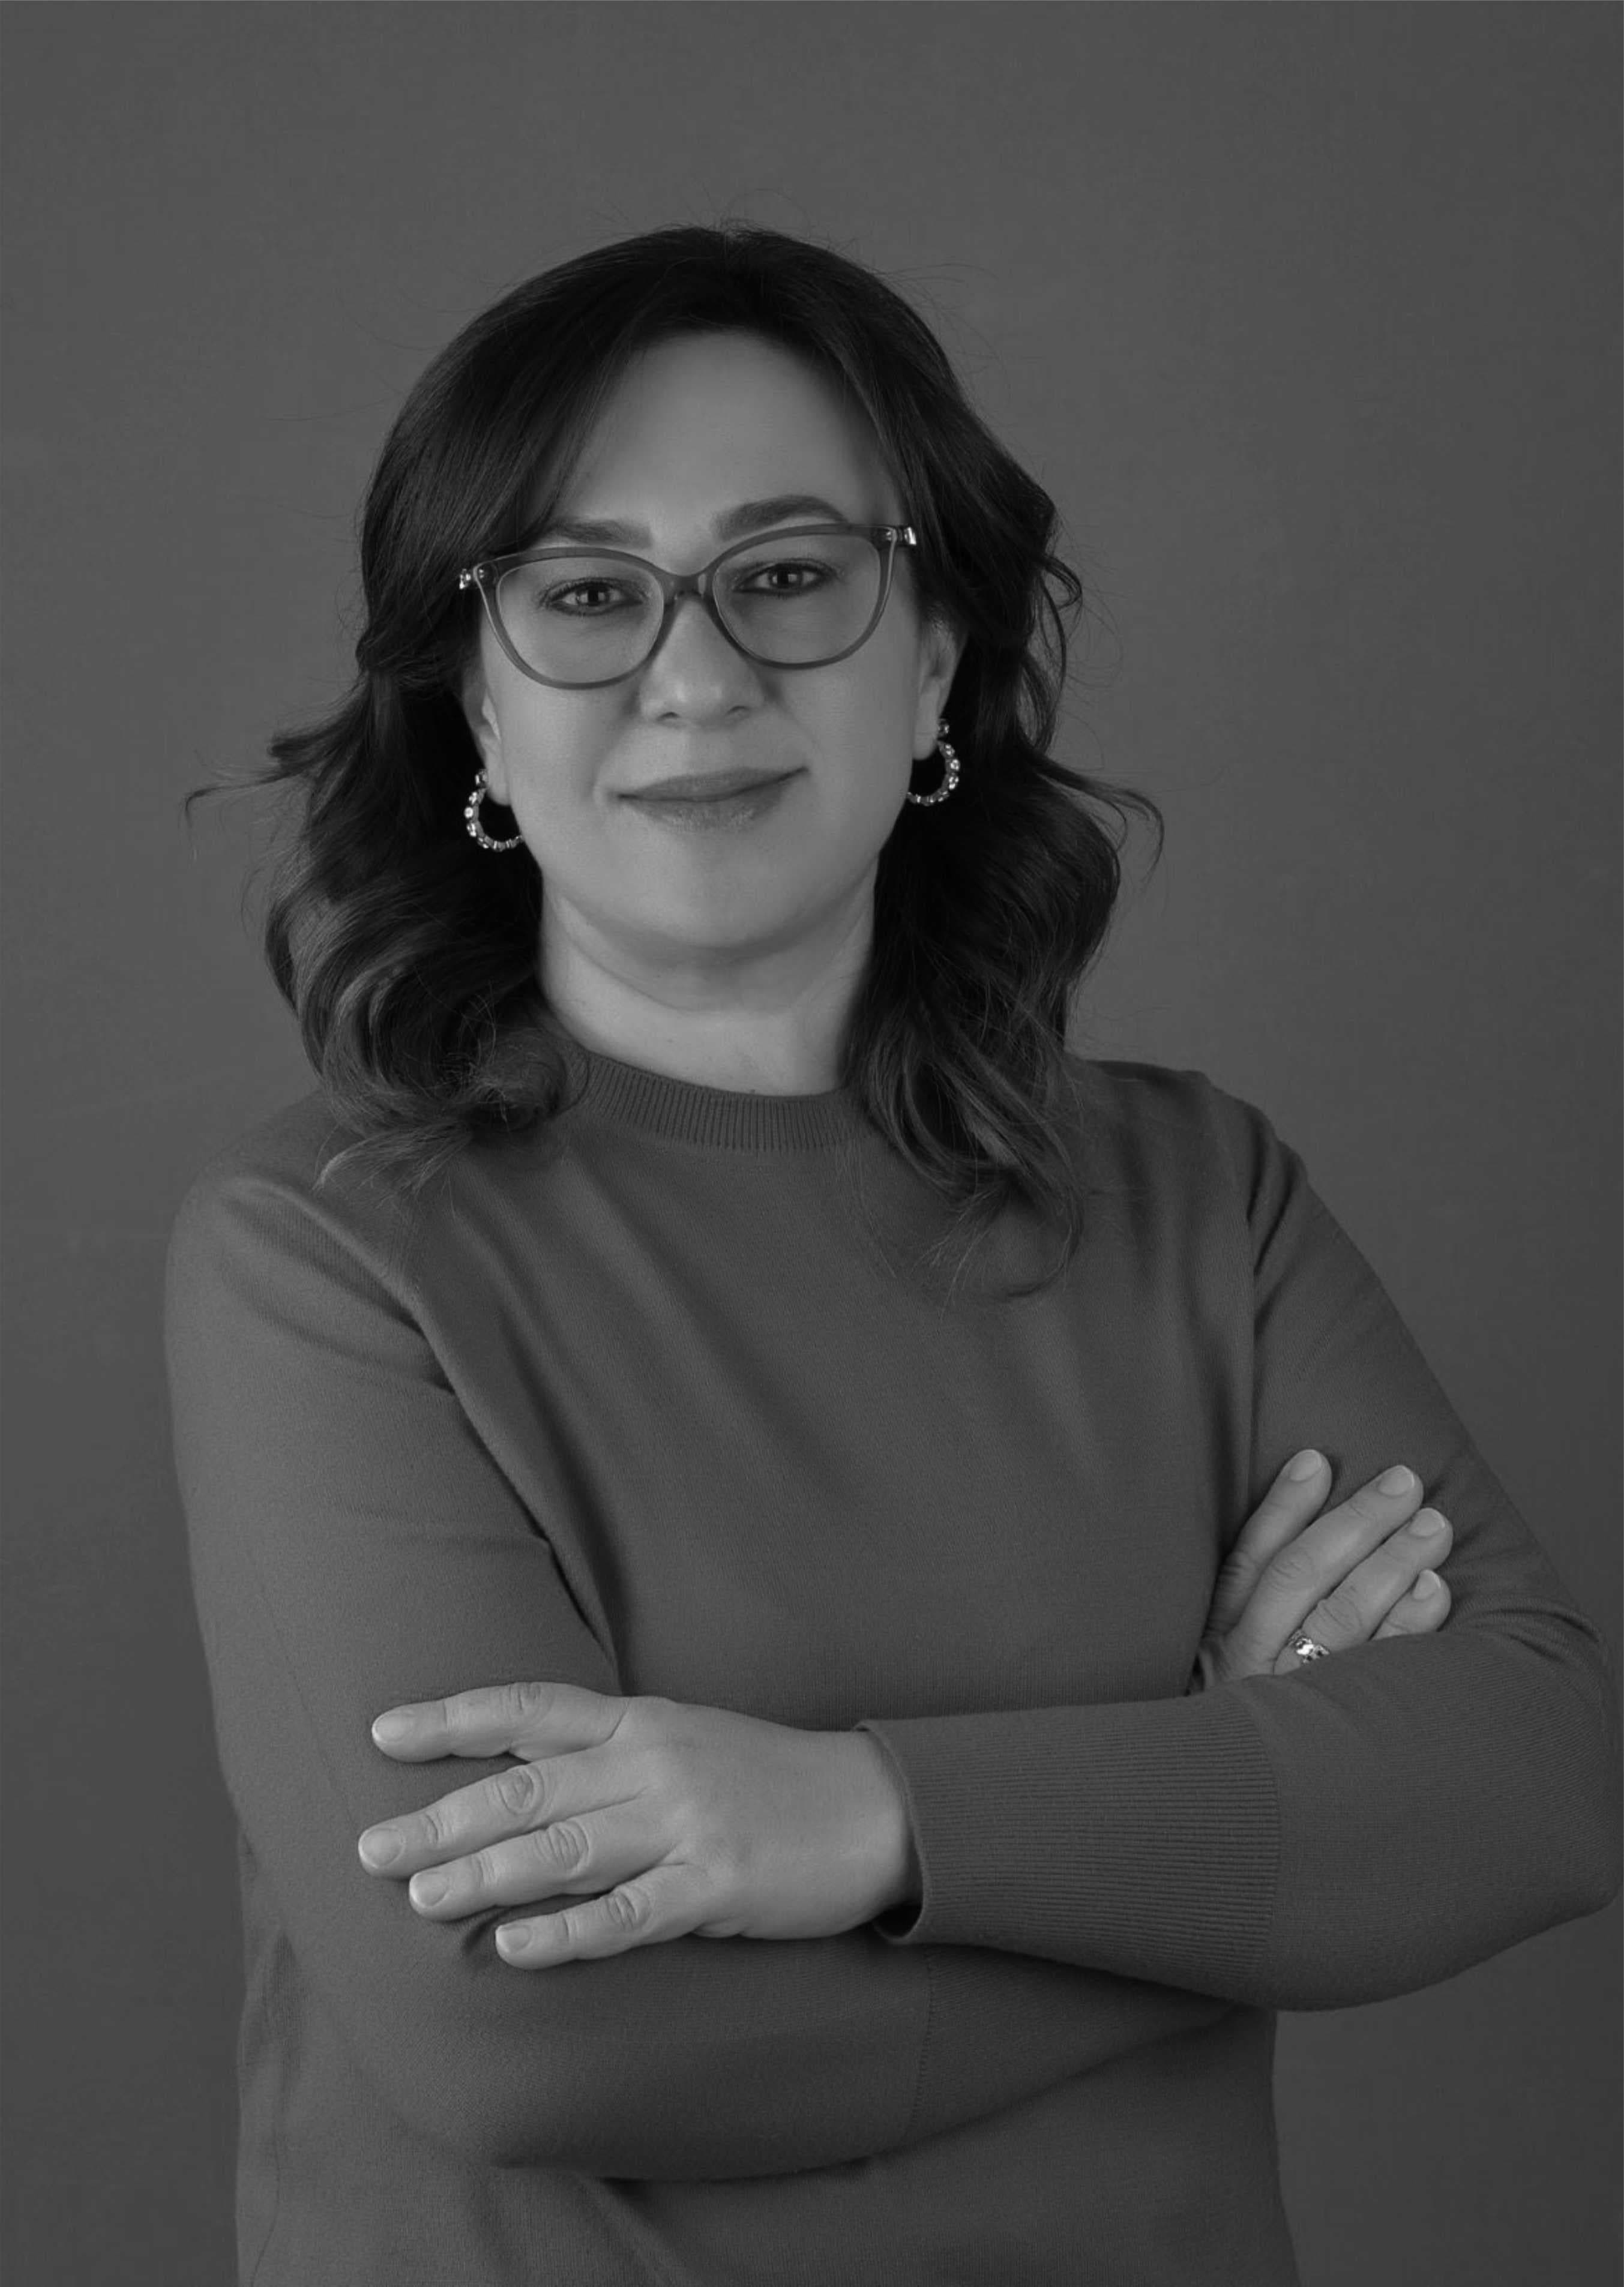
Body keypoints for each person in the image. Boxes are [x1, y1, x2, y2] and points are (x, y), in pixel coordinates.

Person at [165, 223, 1621, 2287]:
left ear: (931, 652)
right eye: (585, 595)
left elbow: (1533, 1776)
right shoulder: (322, 1256)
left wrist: (856, 1819)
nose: (695, 674)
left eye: (786, 576)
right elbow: (522, 2036)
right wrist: (1213, 1851)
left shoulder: (1206, 1194)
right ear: (471, 705)